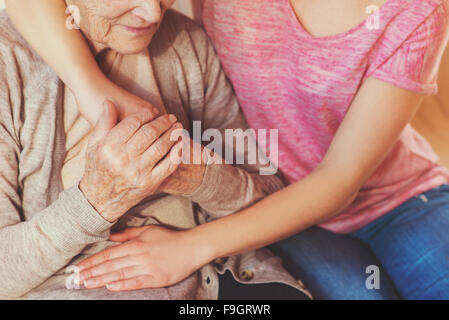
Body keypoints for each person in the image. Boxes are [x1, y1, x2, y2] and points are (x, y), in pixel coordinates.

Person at [6, 0, 449, 299]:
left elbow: (336, 182)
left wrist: (193, 239)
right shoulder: (17, 67)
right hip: (282, 214)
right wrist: (89, 87)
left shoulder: (418, 11)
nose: (152, 10)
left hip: (392, 196)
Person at [0, 0, 310, 299]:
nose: (152, 12)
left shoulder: (184, 41)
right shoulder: (9, 65)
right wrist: (95, 202)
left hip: (224, 274)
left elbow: (268, 197)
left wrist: (198, 176)